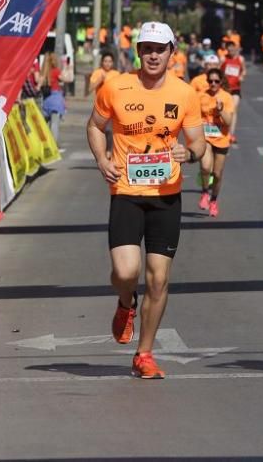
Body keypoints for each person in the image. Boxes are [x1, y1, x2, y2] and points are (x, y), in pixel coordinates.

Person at [86, 21, 206, 379]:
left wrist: (190, 153)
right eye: (147, 49)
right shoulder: (115, 86)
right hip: (126, 192)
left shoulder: (185, 93)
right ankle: (126, 302)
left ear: (172, 53)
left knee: (158, 280)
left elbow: (199, 142)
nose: (154, 55)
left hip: (166, 196)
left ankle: (145, 353)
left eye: (160, 49)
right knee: (126, 272)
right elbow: (95, 126)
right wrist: (102, 159)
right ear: (138, 52)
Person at [197, 68, 236, 217]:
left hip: (221, 138)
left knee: (217, 174)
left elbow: (229, 121)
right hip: (205, 137)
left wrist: (220, 111)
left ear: (221, 82)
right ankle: (205, 193)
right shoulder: (200, 96)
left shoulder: (226, 97)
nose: (213, 84)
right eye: (210, 81)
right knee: (206, 167)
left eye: (216, 81)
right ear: (207, 81)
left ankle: (213, 200)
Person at [221, 42, 246, 143]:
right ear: (227, 49)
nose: (231, 51)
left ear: (235, 48)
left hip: (236, 88)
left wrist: (242, 76)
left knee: (234, 109)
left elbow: (244, 70)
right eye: (229, 50)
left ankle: (231, 134)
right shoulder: (223, 59)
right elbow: (218, 71)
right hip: (225, 88)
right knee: (225, 110)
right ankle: (224, 131)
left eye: (232, 49)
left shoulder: (240, 59)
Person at [38, 52, 66, 141]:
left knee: (42, 124)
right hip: (55, 100)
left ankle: (42, 142)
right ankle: (53, 144)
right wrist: (67, 68)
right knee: (54, 124)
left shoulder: (42, 73)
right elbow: (65, 79)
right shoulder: (56, 71)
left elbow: (38, 85)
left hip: (46, 100)